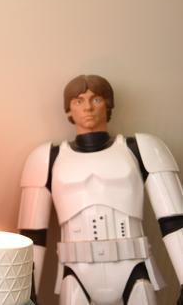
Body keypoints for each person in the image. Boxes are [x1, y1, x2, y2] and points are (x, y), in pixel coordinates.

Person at [18, 74, 183, 305]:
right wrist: (26, 292)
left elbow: (174, 221)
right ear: (69, 110)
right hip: (76, 272)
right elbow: (32, 235)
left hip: (134, 267)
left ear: (108, 104)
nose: (87, 107)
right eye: (78, 101)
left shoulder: (142, 149)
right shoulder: (46, 158)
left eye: (95, 99)